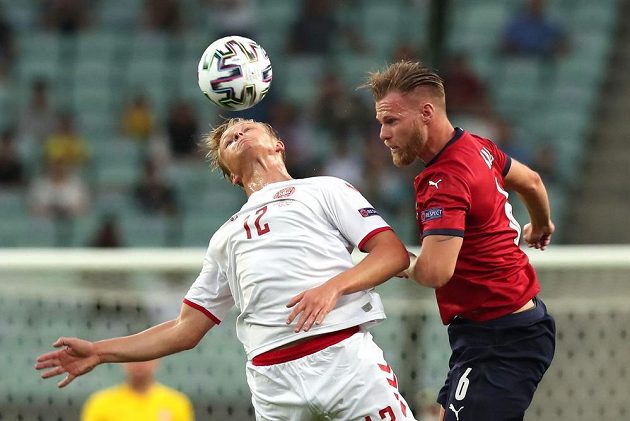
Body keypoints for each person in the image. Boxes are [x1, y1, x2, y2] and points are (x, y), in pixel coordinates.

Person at [36, 118, 418, 421]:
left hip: (343, 359)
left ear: (278, 144)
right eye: (226, 139)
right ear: (232, 176)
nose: (236, 130)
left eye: (248, 126)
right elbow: (186, 328)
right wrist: (101, 352)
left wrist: (332, 288)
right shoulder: (225, 236)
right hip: (274, 382)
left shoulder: (324, 190)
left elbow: (392, 255)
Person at [364, 60, 556, 421]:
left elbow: (436, 272)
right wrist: (541, 224)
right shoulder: (475, 146)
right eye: (381, 123)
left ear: (425, 113)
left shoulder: (445, 179)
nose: (383, 135)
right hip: (501, 331)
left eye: (391, 121)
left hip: (501, 341)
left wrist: (395, 261)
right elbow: (531, 181)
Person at [81, 359, 194, 421]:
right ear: (122, 362)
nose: (139, 364)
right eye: (132, 358)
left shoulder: (177, 402)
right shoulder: (100, 402)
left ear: (157, 361)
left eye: (146, 358)